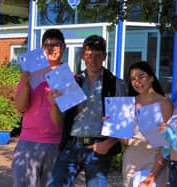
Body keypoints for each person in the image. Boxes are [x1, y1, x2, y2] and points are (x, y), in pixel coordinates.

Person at [49, 35, 128, 187]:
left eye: (98, 56)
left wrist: (108, 143)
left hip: (98, 147)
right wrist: (54, 105)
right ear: (82, 56)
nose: (93, 60)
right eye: (89, 55)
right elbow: (59, 121)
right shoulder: (72, 82)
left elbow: (122, 124)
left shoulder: (116, 84)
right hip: (72, 145)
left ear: (105, 56)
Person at [12, 28, 66, 187]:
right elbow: (21, 107)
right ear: (42, 48)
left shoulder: (67, 75)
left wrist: (55, 105)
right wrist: (26, 84)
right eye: (47, 45)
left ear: (63, 47)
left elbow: (63, 119)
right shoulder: (31, 71)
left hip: (55, 144)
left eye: (56, 44)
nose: (51, 48)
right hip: (28, 141)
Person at [122, 61, 173, 187]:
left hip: (155, 161)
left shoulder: (165, 104)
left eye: (141, 76)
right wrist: (111, 125)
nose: (137, 81)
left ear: (151, 77)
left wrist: (152, 176)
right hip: (131, 160)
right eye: (133, 78)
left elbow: (166, 144)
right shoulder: (129, 104)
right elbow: (125, 141)